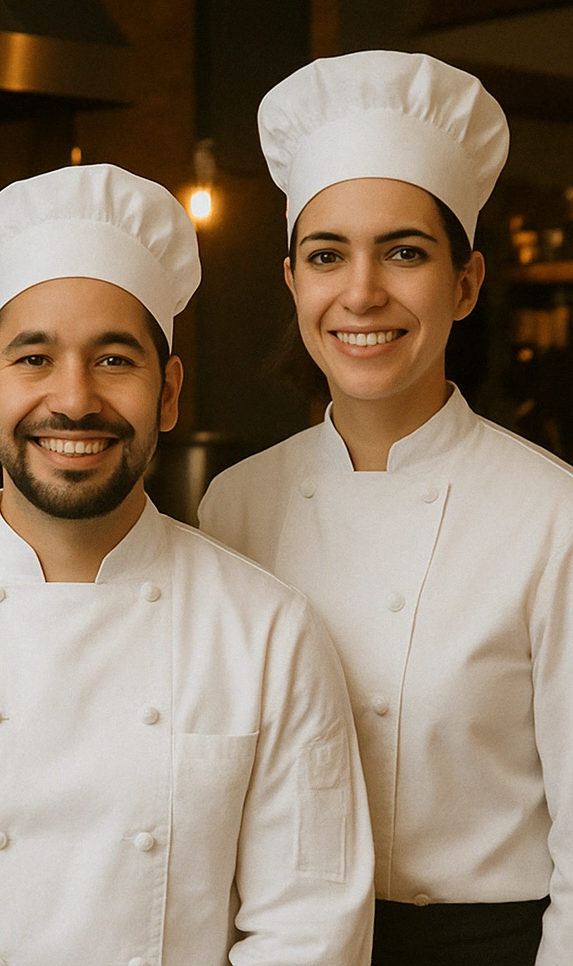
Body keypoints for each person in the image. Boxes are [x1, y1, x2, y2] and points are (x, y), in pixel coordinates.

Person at [0, 162, 374, 965]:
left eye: (115, 360)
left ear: (169, 391)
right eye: (34, 359)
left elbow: (310, 932)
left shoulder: (269, 634)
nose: (75, 400)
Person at [199, 50, 573, 965]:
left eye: (404, 252)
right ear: (294, 284)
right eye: (327, 256)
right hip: (281, 944)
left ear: (466, 283)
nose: (361, 292)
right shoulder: (234, 505)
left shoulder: (552, 515)